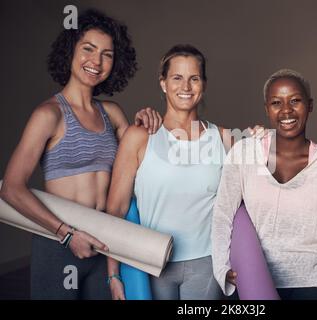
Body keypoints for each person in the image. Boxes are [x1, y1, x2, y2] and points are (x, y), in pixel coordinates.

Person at [0, 9, 159, 299]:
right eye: (88, 49)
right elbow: (11, 188)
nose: (96, 62)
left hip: (105, 243)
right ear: (70, 50)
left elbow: (149, 159)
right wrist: (66, 233)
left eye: (107, 54)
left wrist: (149, 121)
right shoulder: (48, 114)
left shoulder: (111, 113)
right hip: (59, 244)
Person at [106, 44, 233, 300]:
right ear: (163, 83)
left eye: (194, 78)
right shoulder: (139, 137)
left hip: (206, 264)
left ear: (204, 84)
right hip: (151, 264)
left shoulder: (224, 138)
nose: (185, 87)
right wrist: (113, 274)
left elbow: (238, 207)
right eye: (177, 78)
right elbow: (115, 211)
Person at [211, 69, 317, 300]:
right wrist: (222, 268)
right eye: (277, 102)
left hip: (313, 284)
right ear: (267, 109)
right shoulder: (245, 153)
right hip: (252, 280)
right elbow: (222, 215)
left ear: (310, 105)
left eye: (295, 100)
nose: (286, 110)